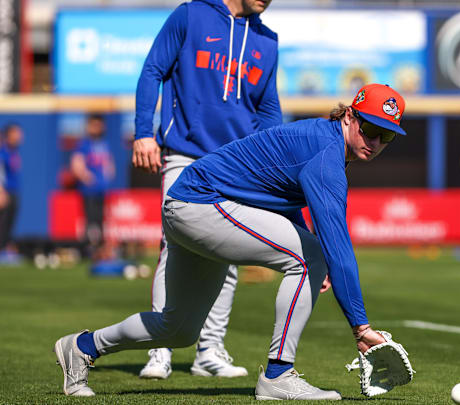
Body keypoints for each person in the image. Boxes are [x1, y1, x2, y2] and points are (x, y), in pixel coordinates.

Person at [53, 83, 406, 400]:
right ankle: (278, 375)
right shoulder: (327, 153)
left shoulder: (321, 140)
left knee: (178, 329)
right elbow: (338, 246)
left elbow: (281, 194)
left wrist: (308, 245)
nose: (375, 142)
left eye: (386, 136)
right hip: (202, 204)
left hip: (189, 205)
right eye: (371, 128)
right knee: (310, 257)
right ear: (349, 116)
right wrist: (361, 327)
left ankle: (82, 347)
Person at [132, 0, 281, 379]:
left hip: (236, 163)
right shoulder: (191, 14)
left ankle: (209, 351)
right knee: (174, 249)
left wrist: (274, 166)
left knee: (228, 256)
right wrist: (143, 133)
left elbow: (267, 110)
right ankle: (159, 349)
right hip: (184, 153)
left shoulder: (267, 41)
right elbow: (153, 70)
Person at [71, 114, 115, 257]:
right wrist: (87, 177)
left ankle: (99, 248)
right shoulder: (84, 144)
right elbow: (76, 164)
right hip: (89, 190)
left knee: (100, 219)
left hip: (101, 189)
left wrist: (108, 174)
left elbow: (108, 163)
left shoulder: (104, 143)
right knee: (90, 219)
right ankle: (88, 248)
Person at [0, 123, 23, 258]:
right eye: (16, 133)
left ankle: (5, 248)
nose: (19, 136)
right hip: (5, 192)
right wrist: (1, 191)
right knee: (3, 221)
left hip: (14, 191)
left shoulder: (14, 151)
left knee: (10, 221)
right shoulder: (3, 152)